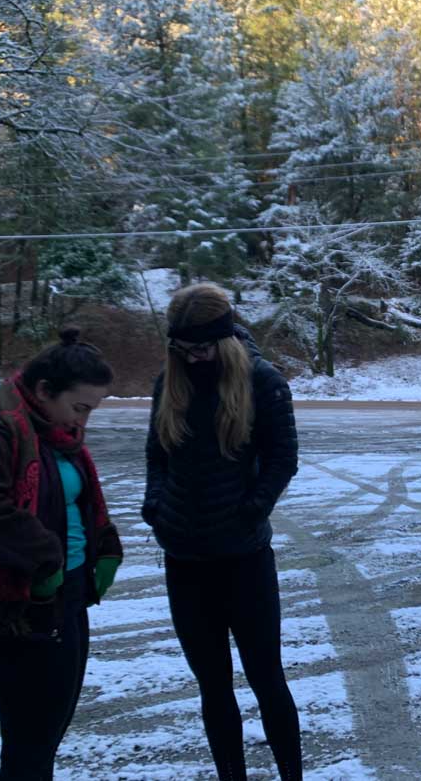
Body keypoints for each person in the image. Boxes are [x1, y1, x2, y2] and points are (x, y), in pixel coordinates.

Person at [0, 329, 123, 780]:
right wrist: (46, 559)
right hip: (19, 606)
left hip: (67, 596)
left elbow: (73, 503)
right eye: (80, 407)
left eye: (91, 410)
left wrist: (104, 545)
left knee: (46, 737)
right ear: (42, 390)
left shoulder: (57, 435)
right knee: (30, 746)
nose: (84, 421)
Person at [144, 283, 302, 781]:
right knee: (212, 687)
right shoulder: (169, 382)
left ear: (225, 339)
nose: (193, 359)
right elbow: (156, 455)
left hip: (244, 559)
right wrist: (155, 506)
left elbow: (283, 458)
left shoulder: (263, 381)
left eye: (203, 348)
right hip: (184, 560)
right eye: (183, 350)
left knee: (266, 678)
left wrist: (251, 510)